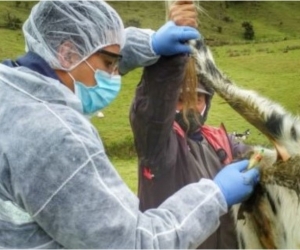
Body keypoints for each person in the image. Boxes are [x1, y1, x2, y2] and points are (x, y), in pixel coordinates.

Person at [0, 0, 259, 248]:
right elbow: (133, 242)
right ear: (67, 53)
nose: (115, 75)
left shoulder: (10, 91)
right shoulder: (55, 137)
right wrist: (216, 196)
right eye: (110, 64)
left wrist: (151, 44)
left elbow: (93, 48)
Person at [129, 42, 264, 248]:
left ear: (206, 102)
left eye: (197, 98)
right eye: (180, 99)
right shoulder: (160, 147)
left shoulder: (217, 139)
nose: (190, 107)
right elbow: (151, 116)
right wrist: (169, 62)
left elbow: (256, 156)